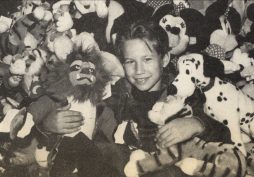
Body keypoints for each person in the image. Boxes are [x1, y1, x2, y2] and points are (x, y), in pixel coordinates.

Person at [39, 20, 232, 177]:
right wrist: (48, 126)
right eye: (130, 62)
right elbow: (83, 126)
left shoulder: (184, 92)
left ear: (164, 59)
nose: (139, 71)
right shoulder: (116, 94)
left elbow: (224, 134)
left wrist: (197, 123)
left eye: (147, 60)